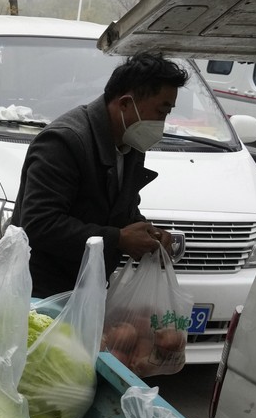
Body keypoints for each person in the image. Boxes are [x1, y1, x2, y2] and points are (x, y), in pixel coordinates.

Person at [11, 52, 188, 298]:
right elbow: (40, 224)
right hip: (38, 292)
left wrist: (147, 234)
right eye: (161, 112)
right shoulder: (64, 142)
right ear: (125, 103)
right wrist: (118, 239)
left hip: (87, 287)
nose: (163, 123)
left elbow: (120, 209)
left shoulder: (131, 143)